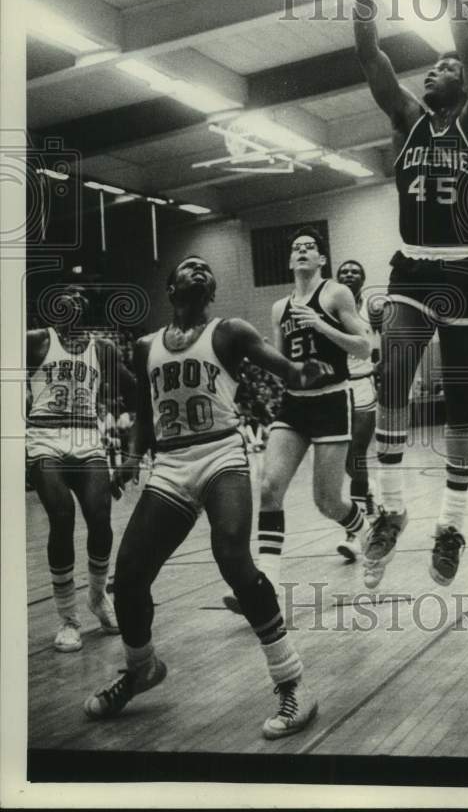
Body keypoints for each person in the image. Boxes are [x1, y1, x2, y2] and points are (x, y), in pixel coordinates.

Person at [84, 256, 324, 739]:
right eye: (189, 265)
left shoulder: (230, 331)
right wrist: (132, 457)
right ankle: (141, 668)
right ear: (171, 287)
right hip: (170, 465)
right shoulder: (146, 346)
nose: (199, 269)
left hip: (221, 456)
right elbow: (145, 417)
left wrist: (305, 372)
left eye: (206, 269)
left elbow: (287, 371)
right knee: (129, 575)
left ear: (211, 290)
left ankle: (291, 681)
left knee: (232, 554)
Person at [353, 0, 468, 588]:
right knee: (391, 381)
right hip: (412, 267)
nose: (436, 68)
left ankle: (451, 524)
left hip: (464, 269)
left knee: (463, 404)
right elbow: (367, 49)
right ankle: (391, 512)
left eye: (444, 68)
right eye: (432, 66)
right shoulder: (405, 120)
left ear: (462, 86)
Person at [224, 228, 371, 605]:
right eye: (296, 248)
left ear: (322, 259)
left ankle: (367, 529)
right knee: (270, 489)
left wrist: (321, 324)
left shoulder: (336, 293)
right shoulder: (278, 308)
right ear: (290, 261)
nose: (303, 251)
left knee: (327, 501)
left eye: (310, 248)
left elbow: (366, 344)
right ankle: (263, 587)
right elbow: (281, 362)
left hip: (332, 400)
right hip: (294, 403)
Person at [26, 284, 134, 652]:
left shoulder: (102, 349)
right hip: (45, 437)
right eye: (66, 295)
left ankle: (98, 596)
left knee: (101, 519)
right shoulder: (37, 341)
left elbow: (133, 389)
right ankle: (68, 620)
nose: (74, 299)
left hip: (87, 438)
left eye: (81, 295)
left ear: (88, 308)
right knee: (62, 516)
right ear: (54, 307)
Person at [334, 259, 380, 561]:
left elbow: (388, 341)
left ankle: (354, 533)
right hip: (336, 388)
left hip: (363, 384)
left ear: (363, 279)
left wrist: (386, 369)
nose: (349, 274)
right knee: (347, 462)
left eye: (355, 271)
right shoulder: (328, 306)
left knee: (357, 454)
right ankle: (370, 492)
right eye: (344, 271)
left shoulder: (373, 309)